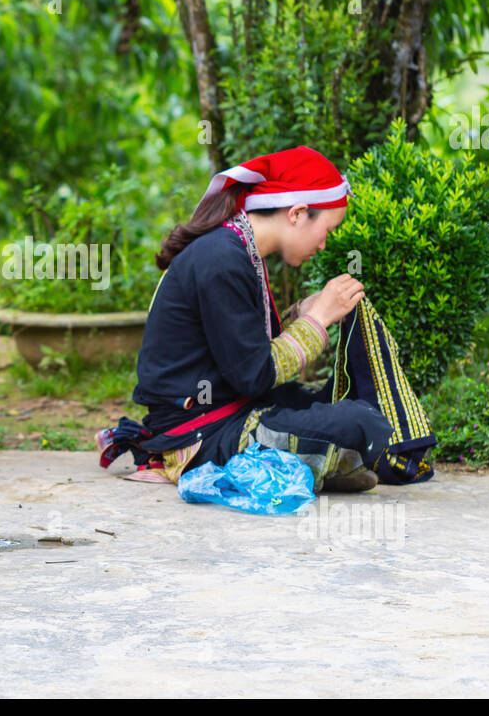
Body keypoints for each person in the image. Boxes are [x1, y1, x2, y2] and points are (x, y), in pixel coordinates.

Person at [99, 145, 435, 493]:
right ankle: (329, 460)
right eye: (328, 230)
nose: (323, 244)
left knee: (333, 401)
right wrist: (317, 320)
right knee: (358, 420)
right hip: (201, 432)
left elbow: (243, 349)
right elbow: (254, 376)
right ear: (297, 213)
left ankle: (330, 461)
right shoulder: (222, 257)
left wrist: (304, 312)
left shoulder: (236, 249)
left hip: (227, 409)